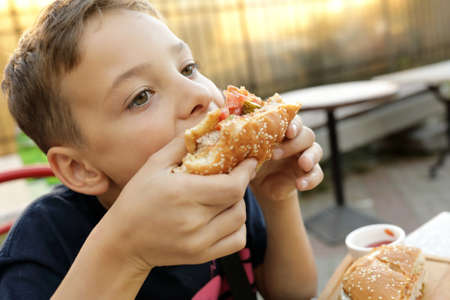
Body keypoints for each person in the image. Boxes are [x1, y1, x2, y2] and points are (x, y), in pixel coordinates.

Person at [0, 0, 324, 299]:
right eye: (141, 96)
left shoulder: (225, 190)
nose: (198, 93)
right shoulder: (44, 245)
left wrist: (276, 198)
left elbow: (294, 292)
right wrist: (126, 254)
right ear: (80, 168)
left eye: (187, 67)